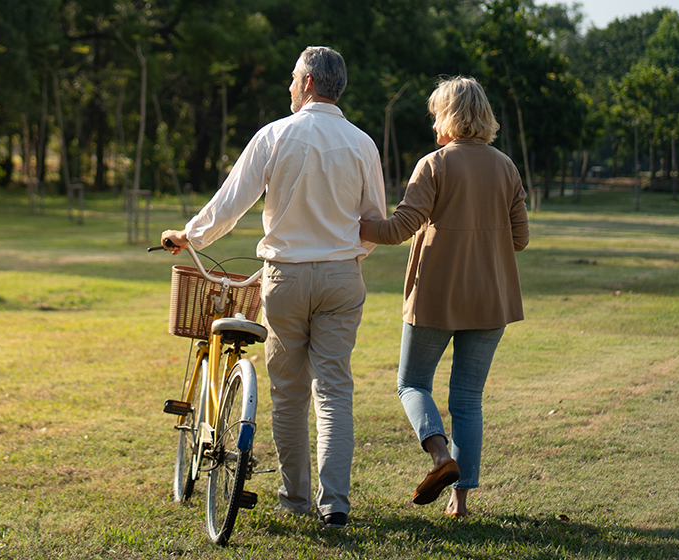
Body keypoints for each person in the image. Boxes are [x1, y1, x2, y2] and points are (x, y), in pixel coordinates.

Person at [162, 46, 386, 529]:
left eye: (291, 79)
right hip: (342, 277)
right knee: (334, 390)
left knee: (289, 394)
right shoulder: (363, 143)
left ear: (307, 83)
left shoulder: (276, 135)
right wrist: (346, 256)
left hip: (285, 278)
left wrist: (190, 235)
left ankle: (295, 497)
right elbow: (373, 223)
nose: (288, 86)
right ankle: (336, 504)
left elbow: (230, 204)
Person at [359, 76, 529, 518]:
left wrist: (356, 224)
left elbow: (398, 229)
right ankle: (460, 501)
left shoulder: (433, 165)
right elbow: (521, 238)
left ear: (449, 117)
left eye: (436, 112)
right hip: (491, 300)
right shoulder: (507, 167)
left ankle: (440, 458)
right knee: (468, 401)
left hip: (435, 297)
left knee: (411, 383)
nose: (432, 121)